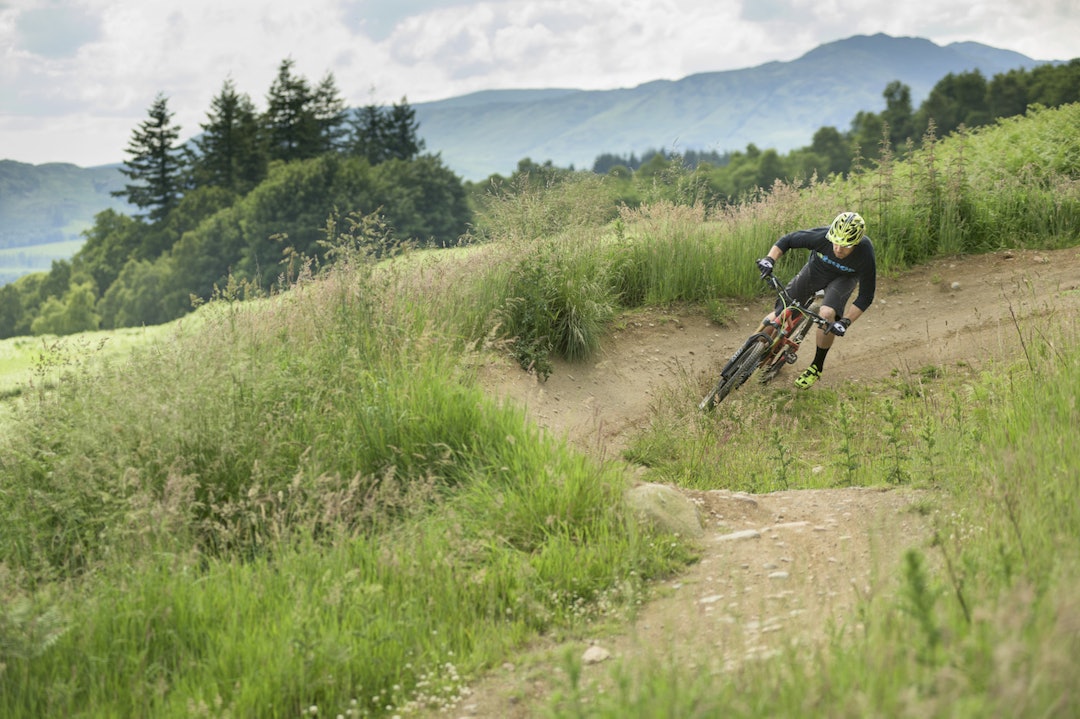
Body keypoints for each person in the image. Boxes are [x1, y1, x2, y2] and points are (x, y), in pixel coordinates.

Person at [754, 211, 876, 389]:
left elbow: (866, 296)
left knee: (827, 314)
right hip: (817, 270)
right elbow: (787, 240)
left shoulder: (865, 253)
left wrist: (845, 322)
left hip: (844, 279)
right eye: (835, 242)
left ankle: (816, 366)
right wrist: (769, 259)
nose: (838, 249)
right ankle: (750, 351)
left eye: (845, 245)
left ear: (856, 243)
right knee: (781, 313)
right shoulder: (822, 236)